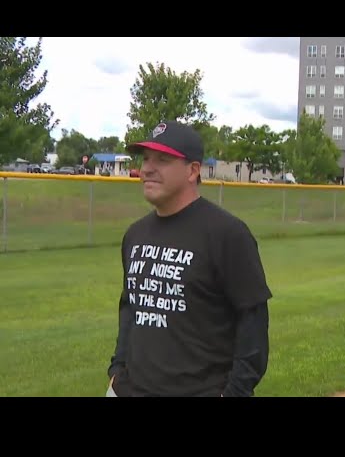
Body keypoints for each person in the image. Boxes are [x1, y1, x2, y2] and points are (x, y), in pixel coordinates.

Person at [106, 120, 272, 397]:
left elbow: (252, 323)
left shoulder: (227, 234)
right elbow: (129, 308)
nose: (147, 168)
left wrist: (235, 392)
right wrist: (117, 371)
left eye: (163, 159)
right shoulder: (135, 235)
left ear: (193, 170)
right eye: (146, 159)